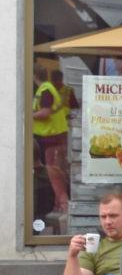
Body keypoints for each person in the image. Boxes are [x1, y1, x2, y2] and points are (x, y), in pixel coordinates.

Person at [32, 66, 78, 214]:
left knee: (53, 171)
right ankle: (61, 203)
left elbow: (45, 112)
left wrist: (27, 115)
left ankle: (62, 205)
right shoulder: (48, 88)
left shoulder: (45, 89)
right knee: (57, 170)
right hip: (54, 133)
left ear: (33, 76)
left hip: (52, 135)